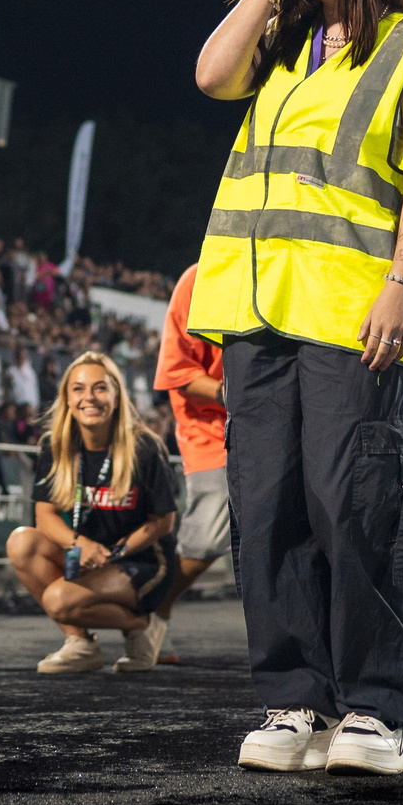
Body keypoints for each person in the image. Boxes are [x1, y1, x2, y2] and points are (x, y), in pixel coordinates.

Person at [186, 0, 403, 778]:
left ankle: (379, 708)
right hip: (254, 311)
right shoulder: (276, 40)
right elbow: (207, 74)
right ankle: (295, 696)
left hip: (355, 314)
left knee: (356, 506)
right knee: (266, 512)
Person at [4, 351, 178, 674]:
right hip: (87, 552)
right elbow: (44, 517)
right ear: (67, 398)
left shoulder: (143, 446)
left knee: (58, 600)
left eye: (100, 388)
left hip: (142, 560)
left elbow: (163, 522)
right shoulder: (55, 445)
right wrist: (79, 543)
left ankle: (142, 623)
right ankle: (81, 644)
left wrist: (116, 551)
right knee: (21, 543)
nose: (89, 398)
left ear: (116, 394)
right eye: (79, 389)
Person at [150, 263, 230, 657]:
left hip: (272, 425)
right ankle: (152, 614)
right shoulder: (197, 278)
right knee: (204, 543)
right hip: (211, 432)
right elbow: (177, 371)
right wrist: (233, 394)